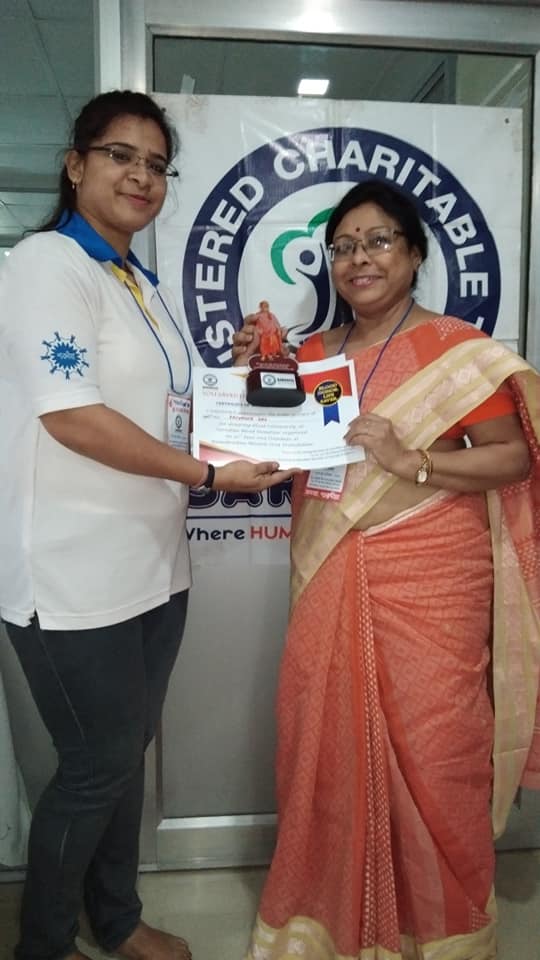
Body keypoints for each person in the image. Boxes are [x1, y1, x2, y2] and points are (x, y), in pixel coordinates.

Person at [0, 90, 294, 960]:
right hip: (70, 574)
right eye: (120, 155)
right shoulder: (46, 264)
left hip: (154, 567)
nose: (141, 176)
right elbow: (72, 418)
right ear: (75, 164)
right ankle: (45, 943)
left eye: (157, 164)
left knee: (125, 757)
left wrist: (239, 371)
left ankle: (117, 918)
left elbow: (171, 412)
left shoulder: (142, 285)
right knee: (96, 767)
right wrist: (210, 476)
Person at [233, 179, 540, 960]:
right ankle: (325, 922)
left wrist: (416, 461)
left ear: (414, 252)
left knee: (439, 753)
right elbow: (268, 457)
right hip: (330, 568)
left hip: (435, 578)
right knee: (321, 746)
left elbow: (510, 457)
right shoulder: (310, 353)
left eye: (377, 241)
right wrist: (252, 376)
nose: (358, 259)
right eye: (343, 246)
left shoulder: (457, 350)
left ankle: (443, 935)